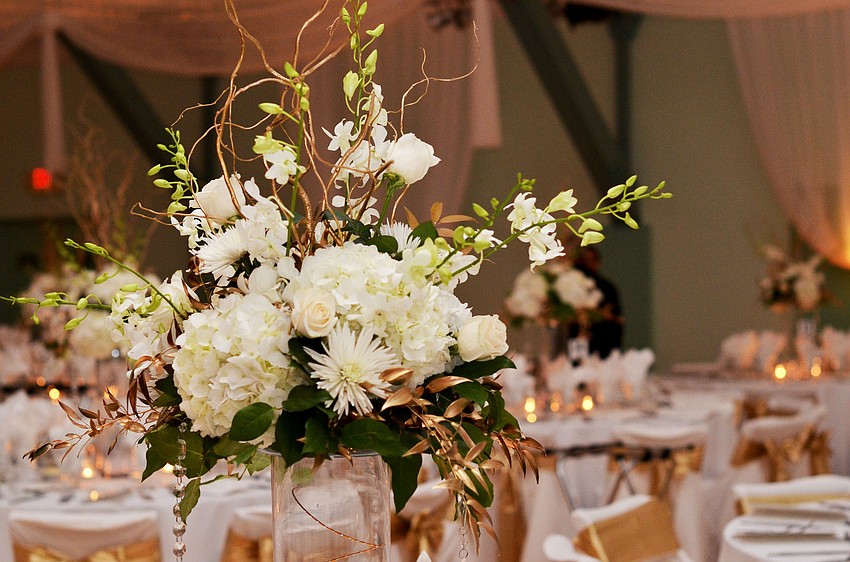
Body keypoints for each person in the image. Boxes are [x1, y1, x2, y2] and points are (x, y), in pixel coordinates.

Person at [572, 246, 624, 359]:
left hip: (602, 343)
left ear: (597, 263)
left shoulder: (607, 288)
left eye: (590, 261)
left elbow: (616, 319)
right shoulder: (571, 286)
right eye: (583, 261)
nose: (586, 266)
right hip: (575, 339)